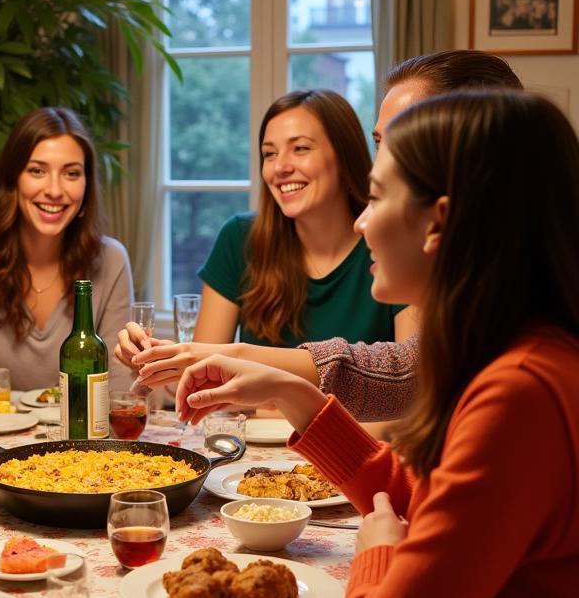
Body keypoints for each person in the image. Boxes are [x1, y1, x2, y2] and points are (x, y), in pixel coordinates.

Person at [174, 90, 579, 598]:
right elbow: (427, 501)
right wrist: (301, 402)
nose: (362, 222)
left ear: (438, 223)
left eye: (377, 196)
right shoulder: (523, 354)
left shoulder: (519, 394)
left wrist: (378, 549)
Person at [118, 51, 523, 420]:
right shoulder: (476, 309)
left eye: (301, 149)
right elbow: (397, 372)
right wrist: (195, 363)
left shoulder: (520, 353)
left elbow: (400, 391)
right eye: (269, 153)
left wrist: (256, 376)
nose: (280, 167)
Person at [0, 107, 133, 392]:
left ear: (86, 186)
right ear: (13, 180)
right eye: (37, 171)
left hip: (84, 435)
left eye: (71, 173)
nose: (55, 190)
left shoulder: (111, 260)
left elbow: (118, 389)